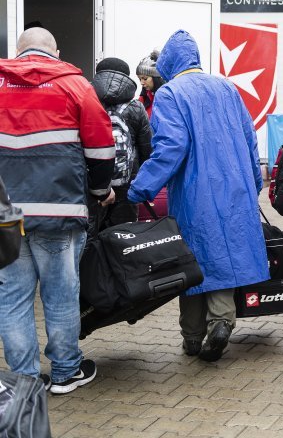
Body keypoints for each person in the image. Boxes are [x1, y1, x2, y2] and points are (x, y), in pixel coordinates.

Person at [128, 30, 268, 362]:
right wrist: (253, 182)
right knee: (224, 255)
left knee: (189, 260)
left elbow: (171, 149)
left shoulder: (170, 93)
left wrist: (139, 188)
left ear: (169, 63)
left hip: (195, 193)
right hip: (235, 188)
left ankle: (192, 336)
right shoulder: (227, 87)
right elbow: (250, 138)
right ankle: (221, 322)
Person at [0, 27, 115, 394]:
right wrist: (100, 192)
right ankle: (66, 372)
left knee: (13, 298)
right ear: (56, 51)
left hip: (6, 215)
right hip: (59, 212)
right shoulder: (77, 86)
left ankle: (25, 381)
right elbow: (101, 150)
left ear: (17, 51)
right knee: (60, 294)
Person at [90, 57, 152, 229]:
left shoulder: (87, 101)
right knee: (125, 237)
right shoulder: (136, 107)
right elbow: (147, 149)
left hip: (94, 185)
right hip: (127, 186)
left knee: (93, 239)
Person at [137, 50, 165, 118]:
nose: (141, 83)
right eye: (140, 79)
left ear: (156, 78)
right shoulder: (143, 98)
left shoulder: (167, 98)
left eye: (145, 78)